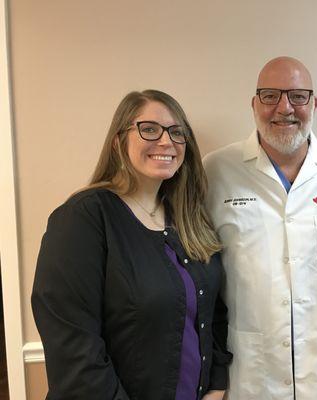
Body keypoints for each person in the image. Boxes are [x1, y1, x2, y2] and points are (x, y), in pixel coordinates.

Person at [32, 89, 232, 400]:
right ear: (118, 141)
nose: (166, 141)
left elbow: (213, 312)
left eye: (177, 132)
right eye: (149, 129)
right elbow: (73, 346)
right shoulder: (84, 218)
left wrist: (217, 386)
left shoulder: (188, 219)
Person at [203, 56, 317, 399]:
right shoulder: (216, 171)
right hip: (250, 372)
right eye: (270, 96)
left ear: (314, 103)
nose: (284, 108)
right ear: (253, 104)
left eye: (297, 96)